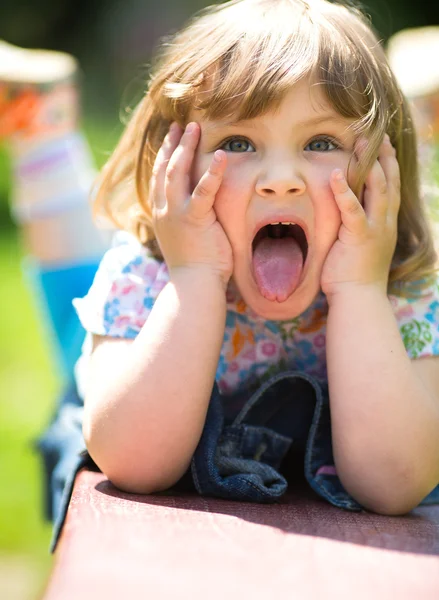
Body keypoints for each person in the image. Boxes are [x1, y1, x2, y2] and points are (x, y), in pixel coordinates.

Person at [38, 0, 439, 549]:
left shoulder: (404, 291)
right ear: (173, 164)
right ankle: (41, 135)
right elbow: (132, 464)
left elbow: (396, 485)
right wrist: (196, 274)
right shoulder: (149, 276)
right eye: (237, 143)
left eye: (321, 143)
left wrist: (360, 290)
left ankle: (420, 116)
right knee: (68, 333)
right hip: (117, 377)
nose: (280, 180)